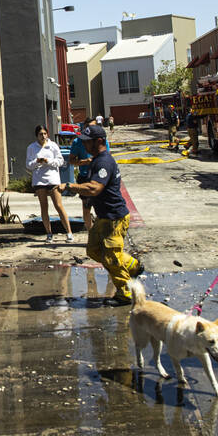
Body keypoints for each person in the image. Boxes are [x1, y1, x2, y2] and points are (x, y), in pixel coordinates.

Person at [61, 124, 142, 304]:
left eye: (87, 142)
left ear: (99, 141)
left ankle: (126, 293)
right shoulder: (96, 160)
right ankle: (132, 265)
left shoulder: (104, 161)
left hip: (115, 217)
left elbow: (95, 187)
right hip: (104, 217)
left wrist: (69, 186)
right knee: (94, 250)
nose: (84, 146)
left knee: (111, 258)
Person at [26, 125, 73, 243]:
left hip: (52, 179)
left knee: (58, 205)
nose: (43, 136)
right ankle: (49, 233)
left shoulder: (53, 146)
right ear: (37, 135)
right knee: (44, 206)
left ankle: (69, 232)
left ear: (47, 134)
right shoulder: (32, 148)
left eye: (45, 134)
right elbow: (28, 165)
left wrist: (49, 161)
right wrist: (37, 162)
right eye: (40, 134)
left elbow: (61, 161)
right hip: (39, 180)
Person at [67, 121, 110, 232]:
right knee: (86, 207)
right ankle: (91, 233)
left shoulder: (102, 143)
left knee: (101, 206)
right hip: (85, 177)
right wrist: (85, 162)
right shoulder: (78, 142)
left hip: (98, 177)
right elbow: (71, 161)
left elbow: (106, 157)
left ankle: (102, 232)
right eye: (88, 128)